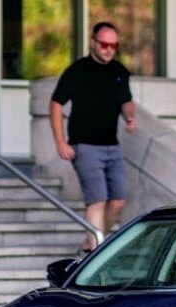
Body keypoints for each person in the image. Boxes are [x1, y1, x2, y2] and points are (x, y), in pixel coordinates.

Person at [49, 21, 138, 254]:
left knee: (118, 201)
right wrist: (60, 142)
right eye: (105, 44)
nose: (109, 49)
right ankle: (96, 254)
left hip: (112, 146)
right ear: (93, 43)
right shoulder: (78, 71)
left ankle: (93, 243)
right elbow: (56, 103)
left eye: (114, 45)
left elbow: (126, 101)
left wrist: (130, 116)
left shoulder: (119, 72)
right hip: (85, 146)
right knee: (97, 201)